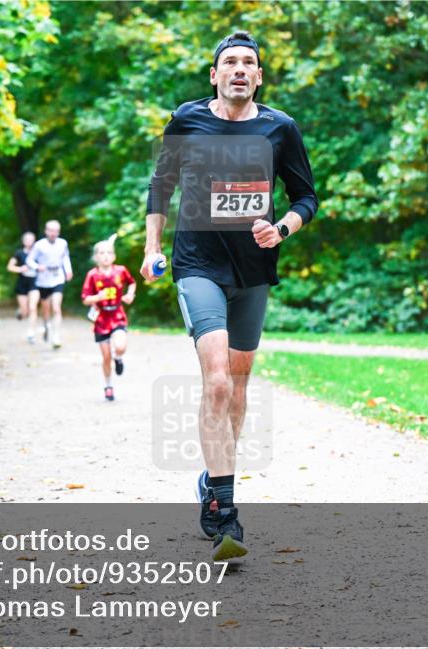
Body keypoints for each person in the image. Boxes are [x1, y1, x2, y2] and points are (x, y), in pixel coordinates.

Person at [142, 31, 318, 561]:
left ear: (258, 77)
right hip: (198, 265)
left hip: (254, 271)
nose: (239, 69)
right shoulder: (188, 119)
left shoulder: (280, 128)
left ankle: (212, 479)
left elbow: (306, 197)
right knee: (216, 380)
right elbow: (161, 185)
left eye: (248, 63)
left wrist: (281, 229)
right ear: (214, 74)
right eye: (230, 62)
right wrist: (152, 247)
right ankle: (226, 514)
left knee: (237, 390)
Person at [81, 238, 136, 402]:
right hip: (101, 318)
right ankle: (108, 386)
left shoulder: (121, 271)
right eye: (102, 253)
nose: (105, 256)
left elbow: (132, 283)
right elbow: (85, 299)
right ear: (96, 257)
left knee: (120, 346)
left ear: (114, 256)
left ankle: (118, 358)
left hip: (117, 314)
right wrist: (97, 297)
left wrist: (130, 294)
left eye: (109, 252)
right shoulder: (92, 275)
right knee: (106, 357)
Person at [26, 220, 73, 348]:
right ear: (46, 231)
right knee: (46, 309)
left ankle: (56, 336)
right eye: (51, 231)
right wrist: (37, 267)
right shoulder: (39, 245)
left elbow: (65, 257)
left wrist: (68, 270)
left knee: (56, 307)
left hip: (58, 277)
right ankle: (47, 325)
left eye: (56, 231)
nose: (53, 233)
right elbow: (29, 260)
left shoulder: (63, 243)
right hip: (43, 279)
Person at [7, 231, 38, 323]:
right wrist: (20, 269)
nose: (29, 241)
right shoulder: (19, 253)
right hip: (22, 283)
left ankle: (31, 330)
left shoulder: (38, 253)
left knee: (32, 307)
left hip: (35, 283)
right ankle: (21, 311)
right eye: (27, 240)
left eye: (31, 239)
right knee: (25, 311)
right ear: (23, 241)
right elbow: (9, 267)